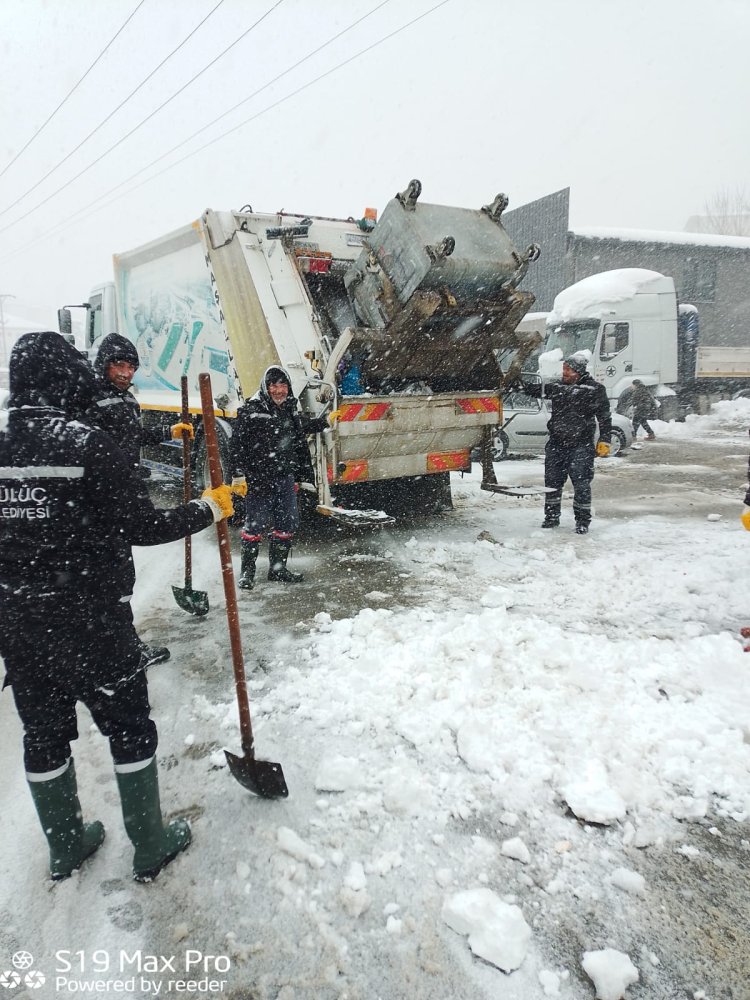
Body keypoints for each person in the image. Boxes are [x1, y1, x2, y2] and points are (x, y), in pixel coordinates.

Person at [0, 332, 236, 883]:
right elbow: (142, 526)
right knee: (129, 725)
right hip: (91, 619)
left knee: (43, 734)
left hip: (20, 624)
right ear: (70, 377)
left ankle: (66, 847)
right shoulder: (88, 446)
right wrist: (207, 507)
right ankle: (149, 843)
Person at [86, 333, 194, 667]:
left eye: (131, 366)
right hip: (101, 499)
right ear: (104, 363)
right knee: (111, 576)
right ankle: (118, 651)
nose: (125, 372)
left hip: (125, 492)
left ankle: (115, 645)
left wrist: (169, 432)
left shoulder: (128, 401)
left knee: (119, 576)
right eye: (119, 364)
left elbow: (135, 436)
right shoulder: (90, 400)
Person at [230, 365, 332, 590]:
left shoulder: (289, 409)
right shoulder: (251, 410)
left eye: (283, 385)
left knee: (287, 523)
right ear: (265, 388)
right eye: (273, 385)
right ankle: (247, 573)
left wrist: (325, 421)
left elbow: (299, 428)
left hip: (285, 478)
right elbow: (236, 446)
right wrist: (238, 475)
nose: (279, 390)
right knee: (254, 526)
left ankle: (278, 569)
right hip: (259, 479)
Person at [520, 353, 612, 534]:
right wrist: (516, 382)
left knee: (582, 485)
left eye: (568, 370)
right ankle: (551, 517)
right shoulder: (557, 387)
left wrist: (605, 440)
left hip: (581, 445)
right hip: (556, 444)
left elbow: (605, 418)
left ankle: (582, 521)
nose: (564, 373)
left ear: (578, 372)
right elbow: (533, 390)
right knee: (552, 483)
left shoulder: (594, 390)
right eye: (563, 369)